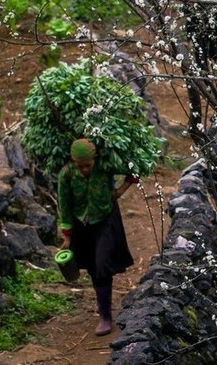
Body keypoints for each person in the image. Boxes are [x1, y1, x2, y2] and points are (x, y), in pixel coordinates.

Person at [57, 138, 139, 336]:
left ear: (95, 159)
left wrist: (119, 191)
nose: (85, 169)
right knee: (93, 267)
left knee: (103, 264)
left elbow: (134, 167)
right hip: (81, 224)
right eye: (80, 166)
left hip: (105, 219)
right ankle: (104, 310)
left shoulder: (105, 165)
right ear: (73, 161)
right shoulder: (66, 174)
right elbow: (64, 205)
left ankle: (104, 317)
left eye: (88, 165)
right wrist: (67, 237)